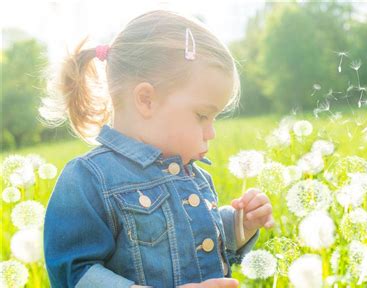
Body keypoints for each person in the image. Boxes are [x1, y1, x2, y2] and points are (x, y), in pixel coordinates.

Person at [41, 9, 274, 288]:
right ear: (146, 100)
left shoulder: (193, 177)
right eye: (202, 115)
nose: (211, 133)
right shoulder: (88, 179)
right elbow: (75, 275)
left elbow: (194, 240)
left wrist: (240, 226)